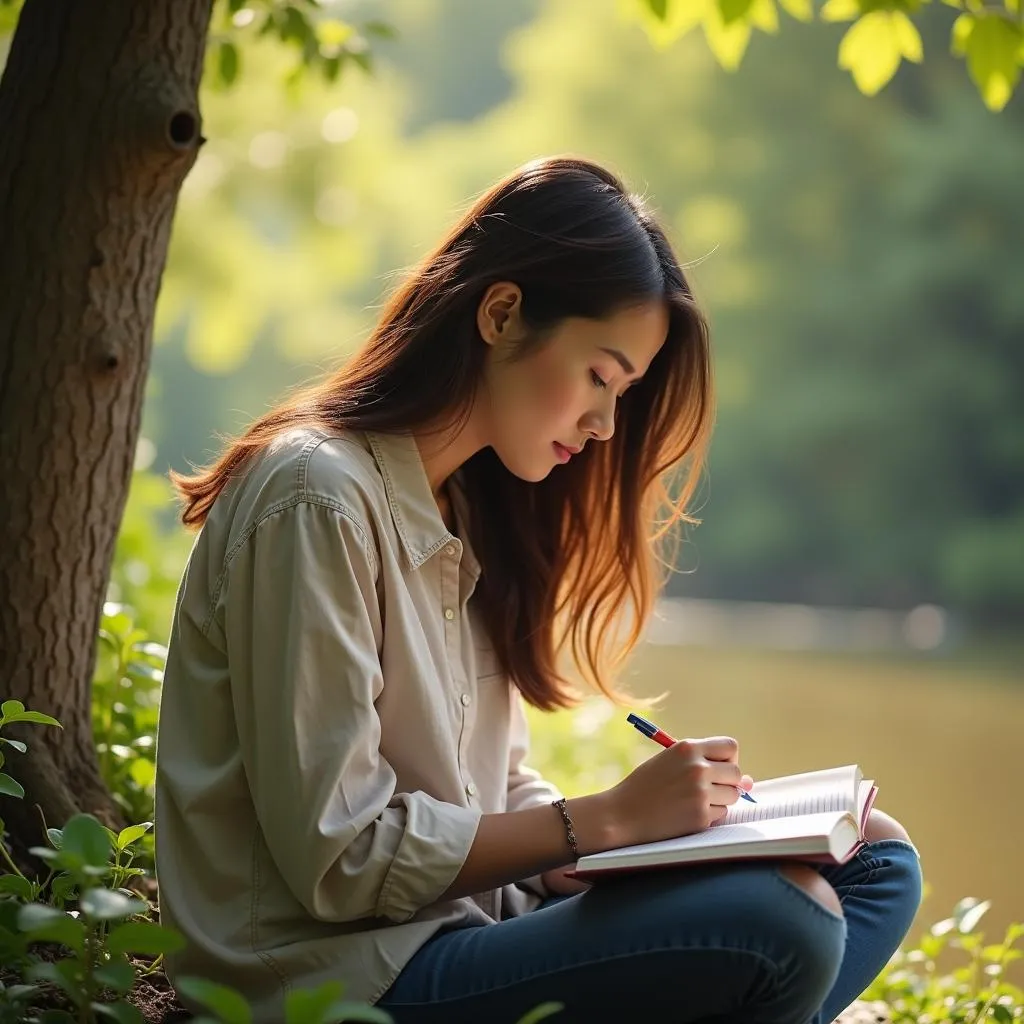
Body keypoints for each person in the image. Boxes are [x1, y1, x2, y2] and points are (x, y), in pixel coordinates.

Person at [156, 156, 922, 1024]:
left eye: (623, 395)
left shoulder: (469, 508)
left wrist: (619, 842)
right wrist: (600, 823)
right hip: (335, 978)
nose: (603, 426)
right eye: (600, 376)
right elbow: (339, 856)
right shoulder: (315, 496)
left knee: (875, 863)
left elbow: (496, 783)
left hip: (460, 927)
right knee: (783, 920)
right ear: (502, 312)